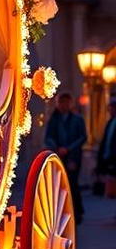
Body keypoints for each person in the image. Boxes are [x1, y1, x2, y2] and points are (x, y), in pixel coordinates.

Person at [44, 92, 87, 224]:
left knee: (73, 184)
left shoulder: (77, 119)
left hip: (73, 156)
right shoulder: (54, 119)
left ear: (70, 103)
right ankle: (63, 212)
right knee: (60, 184)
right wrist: (57, 147)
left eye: (66, 102)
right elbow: (48, 137)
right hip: (59, 155)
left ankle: (77, 212)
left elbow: (83, 137)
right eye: (61, 102)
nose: (64, 105)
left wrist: (69, 148)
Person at [95, 98, 116, 200]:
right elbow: (106, 141)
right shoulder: (110, 122)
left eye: (112, 108)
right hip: (109, 158)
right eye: (109, 108)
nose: (110, 110)